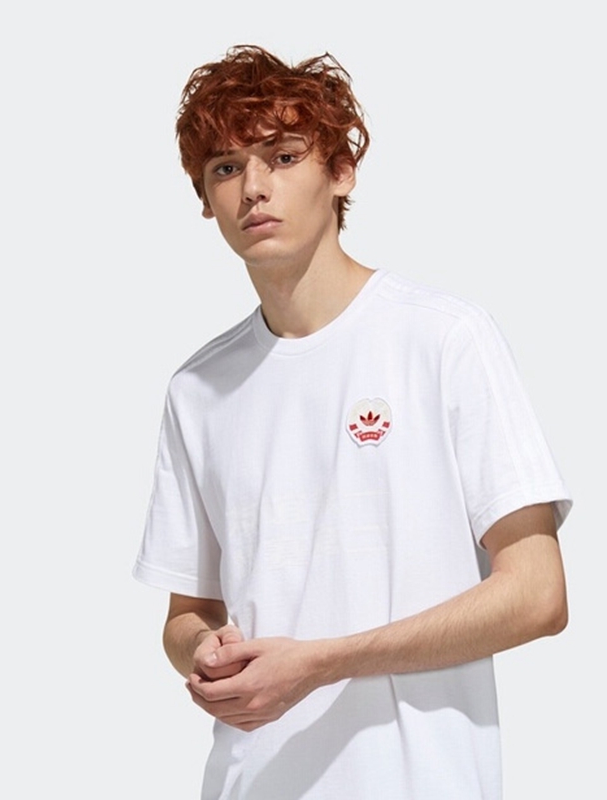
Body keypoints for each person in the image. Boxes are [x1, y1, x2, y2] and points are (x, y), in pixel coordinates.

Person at [132, 44, 571, 800]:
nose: (254, 188)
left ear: (341, 171)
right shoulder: (197, 388)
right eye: (226, 167)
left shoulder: (443, 338)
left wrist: (322, 663)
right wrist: (204, 650)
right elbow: (187, 614)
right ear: (205, 199)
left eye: (284, 156)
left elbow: (537, 595)